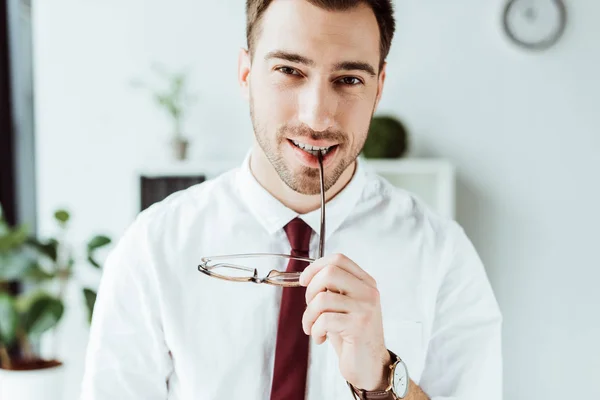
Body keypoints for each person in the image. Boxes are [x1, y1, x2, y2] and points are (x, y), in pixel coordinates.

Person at [80, 1, 502, 399]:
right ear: (246, 74)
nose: (317, 116)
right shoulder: (154, 247)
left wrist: (381, 377)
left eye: (349, 79)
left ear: (379, 89)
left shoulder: (443, 255)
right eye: (289, 70)